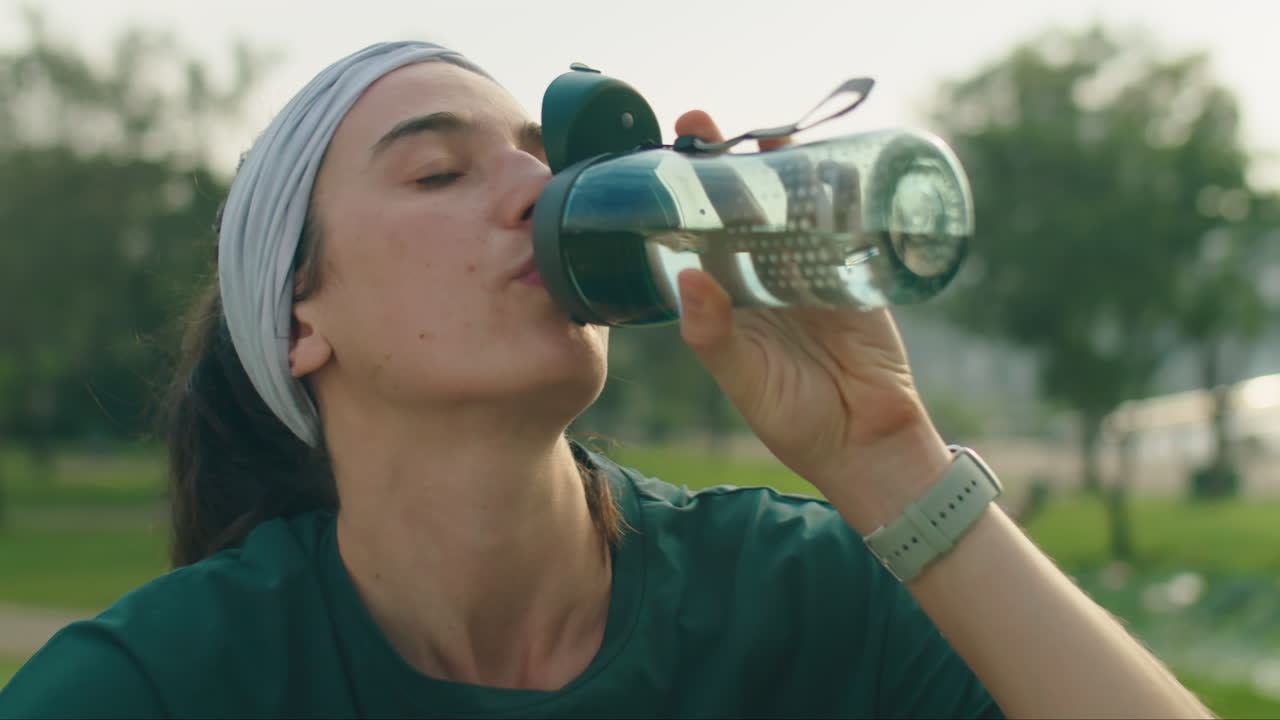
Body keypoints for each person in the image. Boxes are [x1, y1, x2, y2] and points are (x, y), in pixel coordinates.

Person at [0, 41, 1211, 719]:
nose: (536, 195)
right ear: (297, 315)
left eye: (540, 159)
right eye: (437, 176)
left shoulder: (800, 597)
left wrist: (888, 456)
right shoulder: (168, 686)